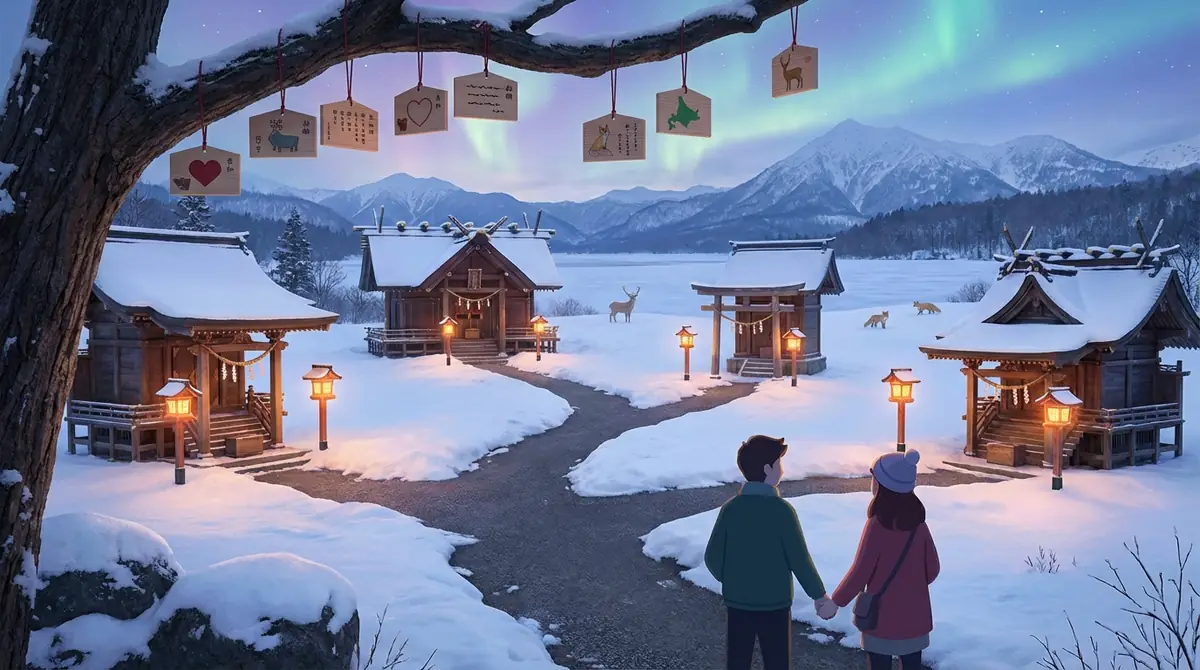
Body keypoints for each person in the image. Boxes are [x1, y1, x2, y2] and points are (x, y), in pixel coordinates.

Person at [704, 435, 838, 670]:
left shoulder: (731, 510)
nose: (782, 471)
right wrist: (819, 595)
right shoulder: (782, 512)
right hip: (775, 604)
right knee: (777, 661)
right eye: (779, 464)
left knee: (737, 660)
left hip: (738, 603)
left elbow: (712, 557)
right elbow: (799, 559)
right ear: (767, 468)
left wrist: (733, 579)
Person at [830, 450, 940, 670]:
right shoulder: (919, 526)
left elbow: (860, 571)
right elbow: (933, 569)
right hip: (915, 618)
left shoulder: (877, 526)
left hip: (881, 619)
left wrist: (836, 601)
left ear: (882, 486)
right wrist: (912, 584)